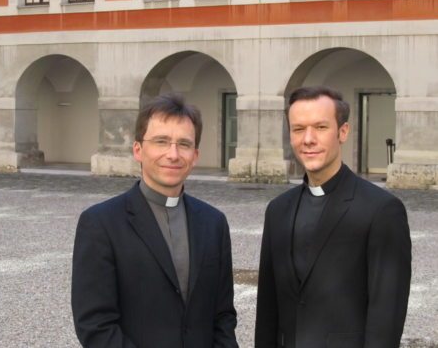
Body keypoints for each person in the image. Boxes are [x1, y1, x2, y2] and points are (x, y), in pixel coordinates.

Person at [72, 93, 238, 348]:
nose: (173, 154)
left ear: (195, 155)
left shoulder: (213, 223)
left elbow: (223, 315)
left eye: (183, 144)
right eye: (161, 141)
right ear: (138, 150)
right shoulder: (101, 224)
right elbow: (96, 326)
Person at [255, 86, 411, 348]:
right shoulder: (277, 210)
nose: (308, 139)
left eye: (320, 127)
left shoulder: (381, 211)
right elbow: (268, 308)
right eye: (298, 129)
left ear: (343, 132)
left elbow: (386, 317)